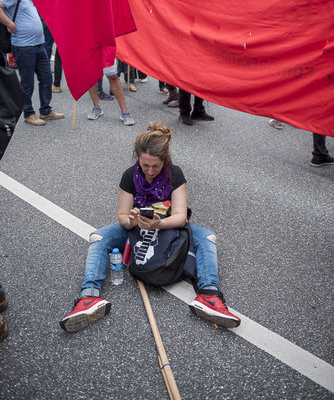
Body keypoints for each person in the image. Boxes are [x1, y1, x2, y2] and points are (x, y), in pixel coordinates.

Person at [60, 121, 240, 332]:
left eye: (156, 166)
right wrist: (132, 220)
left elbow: (181, 217)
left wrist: (159, 223)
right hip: (137, 229)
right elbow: (122, 217)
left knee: (208, 237)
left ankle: (209, 297)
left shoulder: (176, 174)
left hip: (169, 227)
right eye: (145, 165)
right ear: (138, 158)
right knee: (98, 238)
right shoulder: (129, 175)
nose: (151, 170)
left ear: (165, 160)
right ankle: (88, 298)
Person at [0, 0, 64, 126]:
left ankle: (45, 110)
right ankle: (28, 113)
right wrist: (9, 23)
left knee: (46, 77)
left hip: (38, 44)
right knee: (27, 83)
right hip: (23, 46)